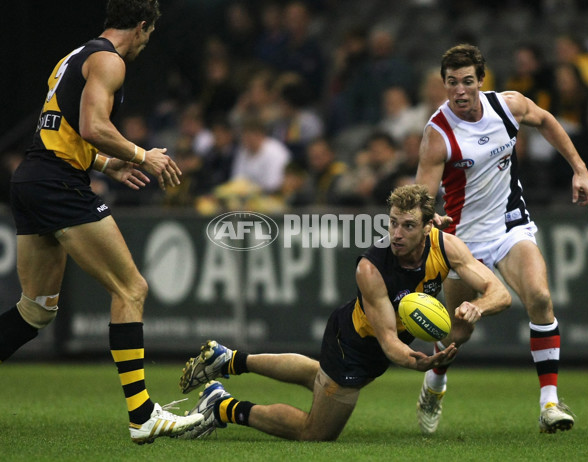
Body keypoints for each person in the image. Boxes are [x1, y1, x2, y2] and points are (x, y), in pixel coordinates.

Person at [0, 0, 204, 444]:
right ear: (143, 26)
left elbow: (62, 131)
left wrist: (104, 164)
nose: (146, 45)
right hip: (58, 184)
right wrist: (140, 154)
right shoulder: (110, 60)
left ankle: (143, 414)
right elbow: (93, 124)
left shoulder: (73, 57)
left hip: (33, 177)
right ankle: (142, 415)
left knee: (35, 310)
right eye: (149, 36)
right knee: (131, 288)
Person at [176, 184, 511, 441]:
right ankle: (222, 408)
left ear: (427, 227)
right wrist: (417, 361)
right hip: (354, 346)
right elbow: (389, 342)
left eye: (408, 226)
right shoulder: (371, 267)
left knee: (316, 376)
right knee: (316, 433)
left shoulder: (445, 245)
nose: (396, 233)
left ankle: (228, 360)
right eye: (393, 223)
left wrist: (476, 306)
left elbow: (500, 293)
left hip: (364, 340)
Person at [415, 44, 588, 435]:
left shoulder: (507, 106)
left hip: (510, 226)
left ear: (481, 81)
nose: (459, 91)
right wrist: (430, 217)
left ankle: (549, 404)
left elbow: (546, 120)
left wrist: (579, 169)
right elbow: (422, 197)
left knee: (541, 298)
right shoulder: (438, 133)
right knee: (457, 332)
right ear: (444, 85)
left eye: (467, 82)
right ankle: (436, 382)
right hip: (462, 240)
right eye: (451, 83)